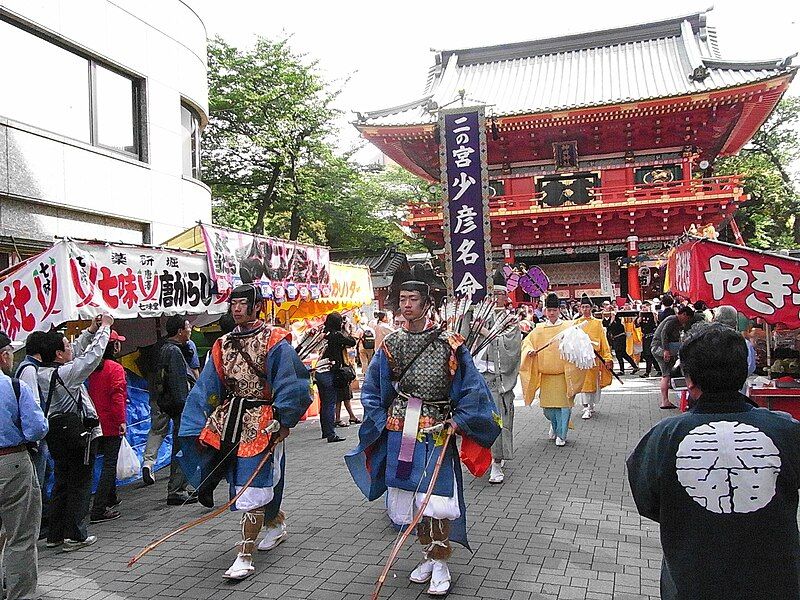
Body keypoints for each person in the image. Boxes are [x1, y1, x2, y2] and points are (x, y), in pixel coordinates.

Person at [346, 281, 500, 596]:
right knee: (409, 497)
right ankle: (428, 556)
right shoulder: (391, 344)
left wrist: (458, 422)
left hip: (437, 430)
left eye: (413, 299)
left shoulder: (451, 343)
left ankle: (442, 565)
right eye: (402, 299)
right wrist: (379, 419)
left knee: (438, 499)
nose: (406, 305)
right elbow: (373, 390)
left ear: (427, 302)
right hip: (401, 429)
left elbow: (473, 388)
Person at [627, 324, 800, 600]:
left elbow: (648, 501)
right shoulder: (786, 430)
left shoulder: (664, 437)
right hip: (774, 578)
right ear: (744, 371)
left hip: (692, 577)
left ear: (690, 380)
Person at [178, 284, 312, 580]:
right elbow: (208, 388)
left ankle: (244, 554)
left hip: (264, 420)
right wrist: (196, 421)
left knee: (252, 482)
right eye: (233, 304)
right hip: (230, 419)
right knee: (250, 476)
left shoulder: (275, 341)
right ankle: (275, 521)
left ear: (256, 306)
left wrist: (285, 420)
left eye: (243, 304)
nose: (237, 309)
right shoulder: (222, 344)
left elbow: (293, 382)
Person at [38, 315, 112, 551]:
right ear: (58, 355)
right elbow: (90, 358)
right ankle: (76, 536)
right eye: (67, 346)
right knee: (81, 483)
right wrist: (104, 329)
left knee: (62, 482)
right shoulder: (67, 374)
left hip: (57, 436)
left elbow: (77, 353)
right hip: (78, 435)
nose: (72, 347)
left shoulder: (43, 373)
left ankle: (55, 535)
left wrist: (90, 331)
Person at [0, 331, 48, 600]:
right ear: (4, 355)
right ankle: (20, 595)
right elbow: (36, 428)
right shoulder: (15, 387)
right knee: (20, 537)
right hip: (12, 462)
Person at [520, 293, 589, 446]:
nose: (551, 313)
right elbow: (527, 342)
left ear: (559, 310)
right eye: (549, 310)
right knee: (548, 410)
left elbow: (579, 343)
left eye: (554, 310)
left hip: (564, 374)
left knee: (564, 408)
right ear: (545, 311)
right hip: (547, 375)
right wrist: (530, 350)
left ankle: (562, 435)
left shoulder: (568, 327)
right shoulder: (539, 329)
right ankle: (555, 424)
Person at [475, 272, 521, 484]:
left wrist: (484, 331)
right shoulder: (480, 314)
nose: (494, 297)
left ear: (505, 296)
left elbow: (509, 348)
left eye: (498, 294)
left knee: (498, 420)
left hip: (497, 379)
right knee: (479, 420)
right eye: (491, 293)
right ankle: (483, 458)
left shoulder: (511, 320)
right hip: (478, 377)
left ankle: (496, 461)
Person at [152, 315, 197, 506]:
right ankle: (177, 489)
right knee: (182, 448)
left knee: (180, 447)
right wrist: (185, 407)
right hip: (180, 408)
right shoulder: (174, 353)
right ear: (180, 331)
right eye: (187, 327)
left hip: (169, 405)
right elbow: (178, 384)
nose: (190, 330)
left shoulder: (165, 349)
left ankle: (179, 488)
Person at [86, 330, 127, 523]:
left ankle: (110, 497)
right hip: (111, 422)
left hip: (95, 421)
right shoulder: (115, 368)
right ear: (113, 346)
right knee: (110, 464)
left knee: (101, 463)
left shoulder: (92, 368)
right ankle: (99, 508)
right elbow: (117, 397)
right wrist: (121, 421)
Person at [652, 305, 706, 409]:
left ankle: (665, 401)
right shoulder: (673, 319)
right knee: (686, 347)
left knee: (666, 375)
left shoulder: (676, 322)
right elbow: (664, 334)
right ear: (684, 314)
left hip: (658, 348)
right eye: (687, 318)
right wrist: (666, 350)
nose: (687, 321)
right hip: (660, 347)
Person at [314, 312, 354, 442]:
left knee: (324, 404)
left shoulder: (323, 335)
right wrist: (346, 329)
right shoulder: (337, 335)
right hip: (329, 372)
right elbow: (352, 341)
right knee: (330, 403)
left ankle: (326, 431)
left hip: (319, 371)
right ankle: (331, 434)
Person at [574, 294, 613, 420]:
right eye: (582, 307)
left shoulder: (597, 323)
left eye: (587, 307)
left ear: (591, 308)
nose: (585, 309)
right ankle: (585, 407)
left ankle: (590, 406)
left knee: (592, 382)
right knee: (583, 382)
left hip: (593, 357)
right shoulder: (576, 323)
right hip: (581, 358)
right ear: (580, 308)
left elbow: (603, 340)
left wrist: (607, 357)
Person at [604, 310, 639, 375]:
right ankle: (634, 366)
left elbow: (611, 326)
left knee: (619, 354)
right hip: (616, 338)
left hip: (620, 338)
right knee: (623, 354)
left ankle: (622, 370)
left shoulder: (617, 319)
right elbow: (606, 324)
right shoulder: (609, 319)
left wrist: (613, 317)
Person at [635, 301, 659, 378]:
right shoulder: (641, 315)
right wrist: (639, 319)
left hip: (651, 336)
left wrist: (655, 316)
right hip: (645, 336)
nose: (644, 309)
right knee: (648, 354)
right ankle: (658, 370)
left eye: (645, 307)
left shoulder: (652, 314)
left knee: (649, 354)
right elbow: (637, 325)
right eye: (642, 307)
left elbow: (656, 324)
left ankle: (648, 372)